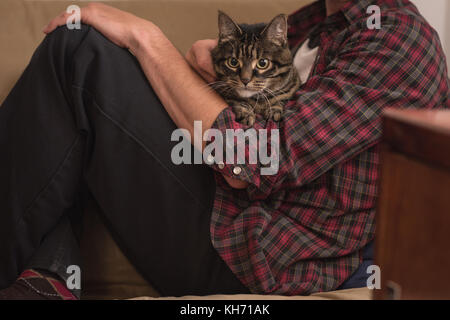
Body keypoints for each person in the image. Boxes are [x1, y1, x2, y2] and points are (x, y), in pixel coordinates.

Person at [0, 0, 448, 299]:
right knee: (83, 90)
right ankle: (48, 278)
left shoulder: (400, 40)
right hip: (227, 204)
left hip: (256, 254)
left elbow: (252, 160)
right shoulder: (314, 21)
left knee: (78, 51)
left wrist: (145, 38)